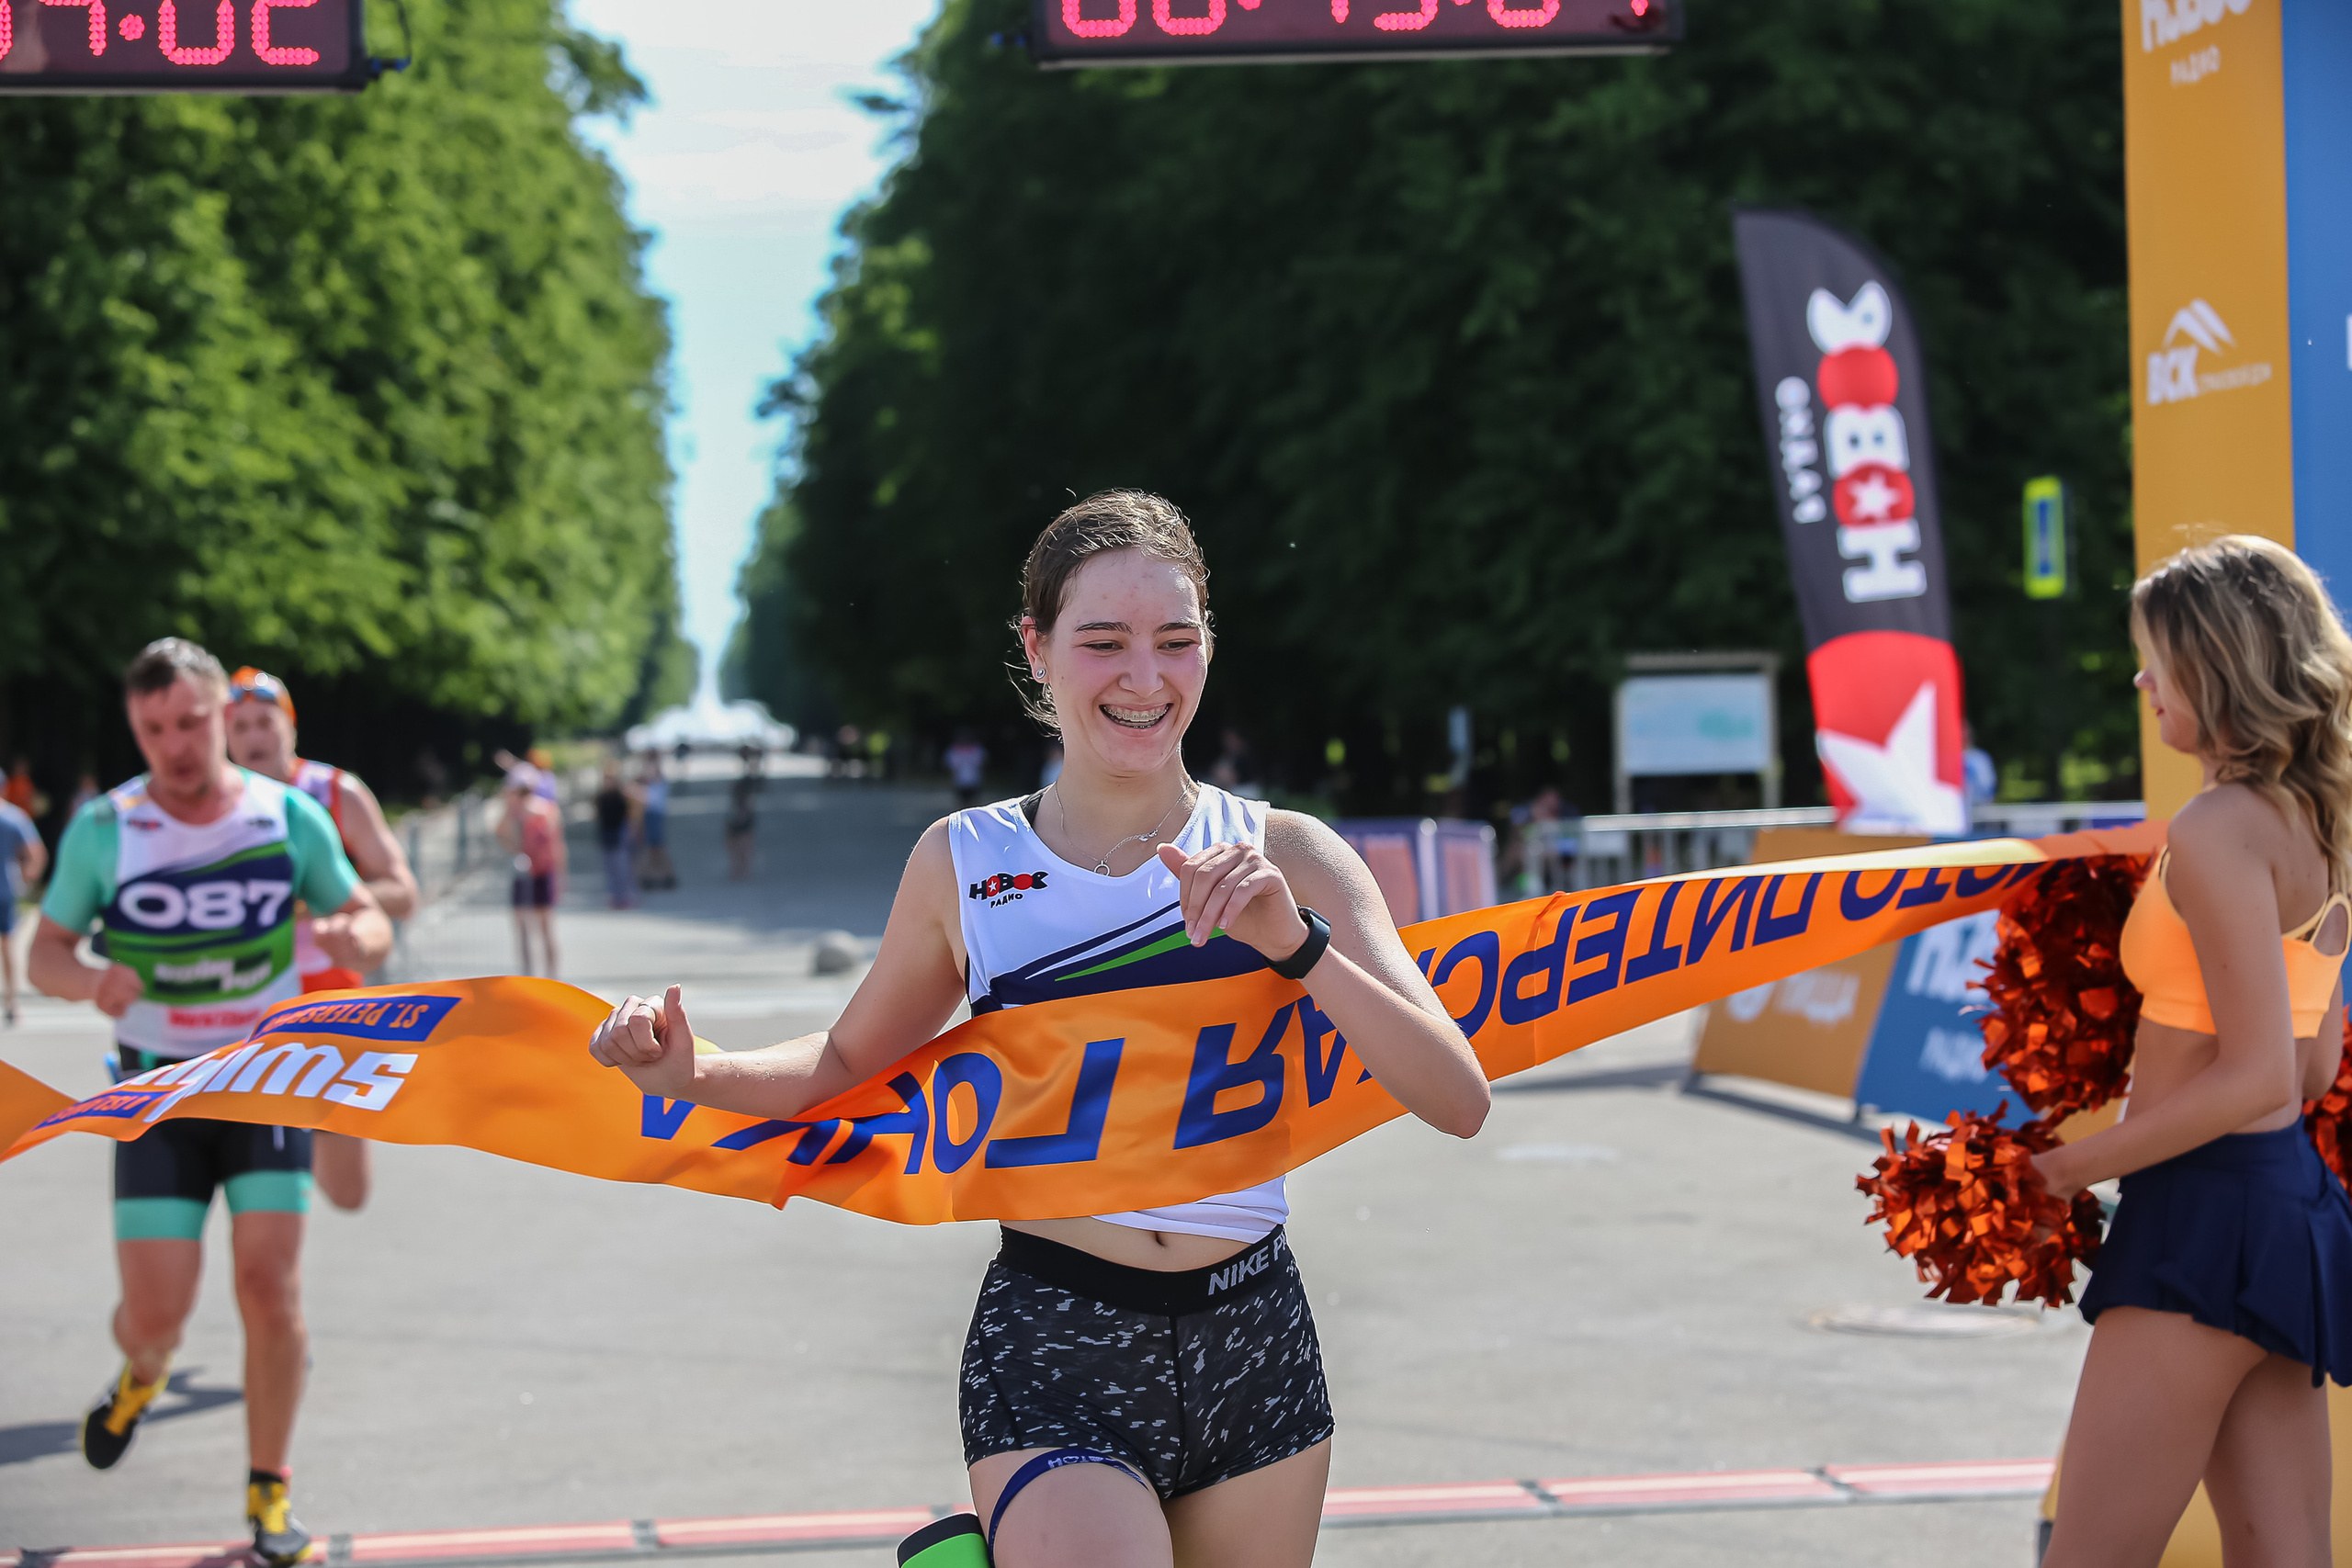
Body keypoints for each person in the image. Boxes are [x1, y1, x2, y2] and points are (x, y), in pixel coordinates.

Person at [588, 491, 1488, 1568]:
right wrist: (698, 1071)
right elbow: (843, 1062)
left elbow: (1456, 1097)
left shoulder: (1286, 853)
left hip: (1258, 1343)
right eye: (1102, 642)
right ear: (1037, 647)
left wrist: (1293, 943)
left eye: (1175, 641)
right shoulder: (963, 862)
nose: (1143, 678)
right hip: (1060, 1334)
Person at [28, 637, 390, 1566]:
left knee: (270, 1287)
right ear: (135, 730)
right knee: (156, 1316)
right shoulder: (107, 828)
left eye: (190, 723)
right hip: (158, 1089)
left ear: (222, 717)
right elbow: (43, 954)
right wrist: (87, 980)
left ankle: (271, 1495)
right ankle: (139, 1376)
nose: (175, 747)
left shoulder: (285, 816)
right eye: (153, 731)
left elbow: (370, 913)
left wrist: (359, 928)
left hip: (265, 1080)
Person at [2034, 536, 2352, 1565]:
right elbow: (2307, 1071)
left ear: (2214, 670)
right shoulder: (2318, 825)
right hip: (2287, 1212)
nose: (2140, 682)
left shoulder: (2218, 827)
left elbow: (2259, 1073)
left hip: (2201, 1217)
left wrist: (2066, 1169)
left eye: (2155, 661)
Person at [222, 665, 424, 1210]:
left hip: (329, 1001)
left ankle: (297, 1139)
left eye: (265, 722)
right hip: (242, 1003)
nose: (254, 738)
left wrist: (332, 905)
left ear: (290, 728)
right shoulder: (211, 808)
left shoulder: (336, 793)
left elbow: (403, 891)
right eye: (239, 728)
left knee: (347, 1192)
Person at [497, 767, 565, 976]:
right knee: (522, 929)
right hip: (522, 873)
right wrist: (508, 807)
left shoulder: (546, 810)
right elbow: (503, 837)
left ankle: (552, 978)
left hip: (543, 872)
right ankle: (528, 976)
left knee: (545, 929)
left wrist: (561, 876)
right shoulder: (513, 814)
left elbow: (557, 846)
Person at [0, 792, 48, 1025]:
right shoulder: (14, 817)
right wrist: (29, 878)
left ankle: (11, 1001)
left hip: (5, 888)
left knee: (8, 946)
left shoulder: (13, 817)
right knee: (7, 945)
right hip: (6, 887)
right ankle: (11, 1002)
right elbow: (36, 852)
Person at [593, 761, 638, 910]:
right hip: (607, 832)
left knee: (622, 866)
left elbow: (633, 810)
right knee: (610, 866)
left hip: (620, 831)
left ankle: (625, 895)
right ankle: (614, 896)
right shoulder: (601, 797)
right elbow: (597, 815)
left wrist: (632, 829)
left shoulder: (622, 795)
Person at [636, 752, 675, 891]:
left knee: (657, 847)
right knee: (653, 848)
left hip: (655, 815)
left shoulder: (658, 780)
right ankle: (654, 875)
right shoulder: (653, 779)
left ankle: (663, 875)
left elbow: (651, 799)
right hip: (651, 816)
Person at [945, 728, 988, 810]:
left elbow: (982, 765)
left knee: (974, 806)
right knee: (961, 806)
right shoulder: (954, 750)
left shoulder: (977, 749)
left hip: (974, 781)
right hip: (960, 781)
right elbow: (951, 768)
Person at [723, 775, 756, 881]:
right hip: (739, 828)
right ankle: (742, 872)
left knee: (740, 853)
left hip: (739, 828)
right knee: (742, 853)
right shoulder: (740, 801)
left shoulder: (741, 801)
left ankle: (740, 872)